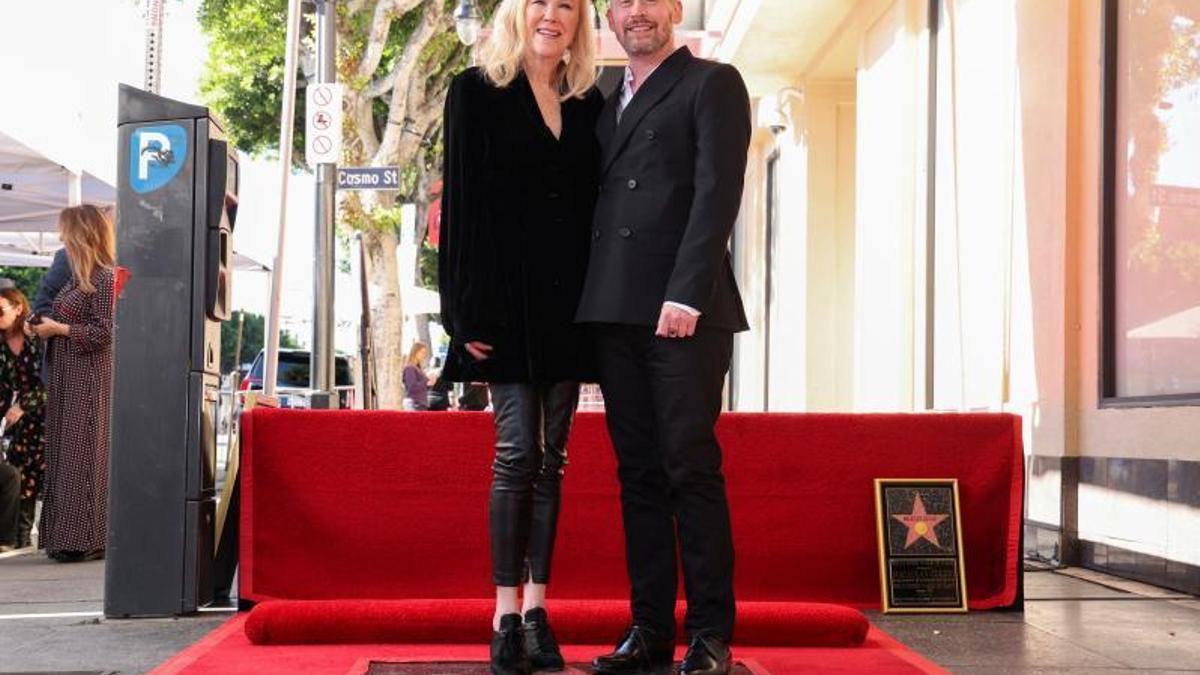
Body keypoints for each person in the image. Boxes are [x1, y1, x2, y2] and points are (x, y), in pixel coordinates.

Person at [576, 1, 753, 674]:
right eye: (623, 2)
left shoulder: (712, 83)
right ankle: (649, 628)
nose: (638, 12)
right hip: (614, 310)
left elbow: (716, 193)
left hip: (685, 311)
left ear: (675, 10)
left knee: (689, 467)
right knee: (639, 476)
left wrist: (687, 292)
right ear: (610, 18)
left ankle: (709, 632)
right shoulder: (595, 96)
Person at [437, 0, 603, 672]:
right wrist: (461, 313)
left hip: (570, 304)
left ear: (578, 23)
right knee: (515, 452)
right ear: (519, 12)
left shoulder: (590, 101)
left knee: (553, 458)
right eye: (541, 1)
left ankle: (538, 609)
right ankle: (503, 615)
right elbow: (462, 201)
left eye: (567, 5)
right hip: (501, 304)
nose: (553, 14)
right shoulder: (475, 90)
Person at [29, 204, 115, 563]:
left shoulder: (105, 278)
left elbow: (106, 332)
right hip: (68, 377)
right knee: (66, 458)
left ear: (82, 233)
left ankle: (86, 538)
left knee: (84, 458)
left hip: (88, 379)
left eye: (66, 232)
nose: (62, 238)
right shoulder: (80, 278)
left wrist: (58, 329)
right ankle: (67, 537)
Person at [0, 288, 46, 549]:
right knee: (19, 472)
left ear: (18, 308)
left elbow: (51, 380)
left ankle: (46, 537)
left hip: (44, 414)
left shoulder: (35, 337)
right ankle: (19, 538)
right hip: (17, 420)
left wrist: (22, 406)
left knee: (43, 473)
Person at [401, 342, 433, 410]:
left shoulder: (418, 369)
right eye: (422, 352)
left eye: (425, 353)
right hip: (414, 403)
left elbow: (422, 387)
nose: (424, 355)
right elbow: (412, 387)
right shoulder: (410, 368)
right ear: (415, 352)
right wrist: (426, 382)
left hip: (421, 403)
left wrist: (430, 384)